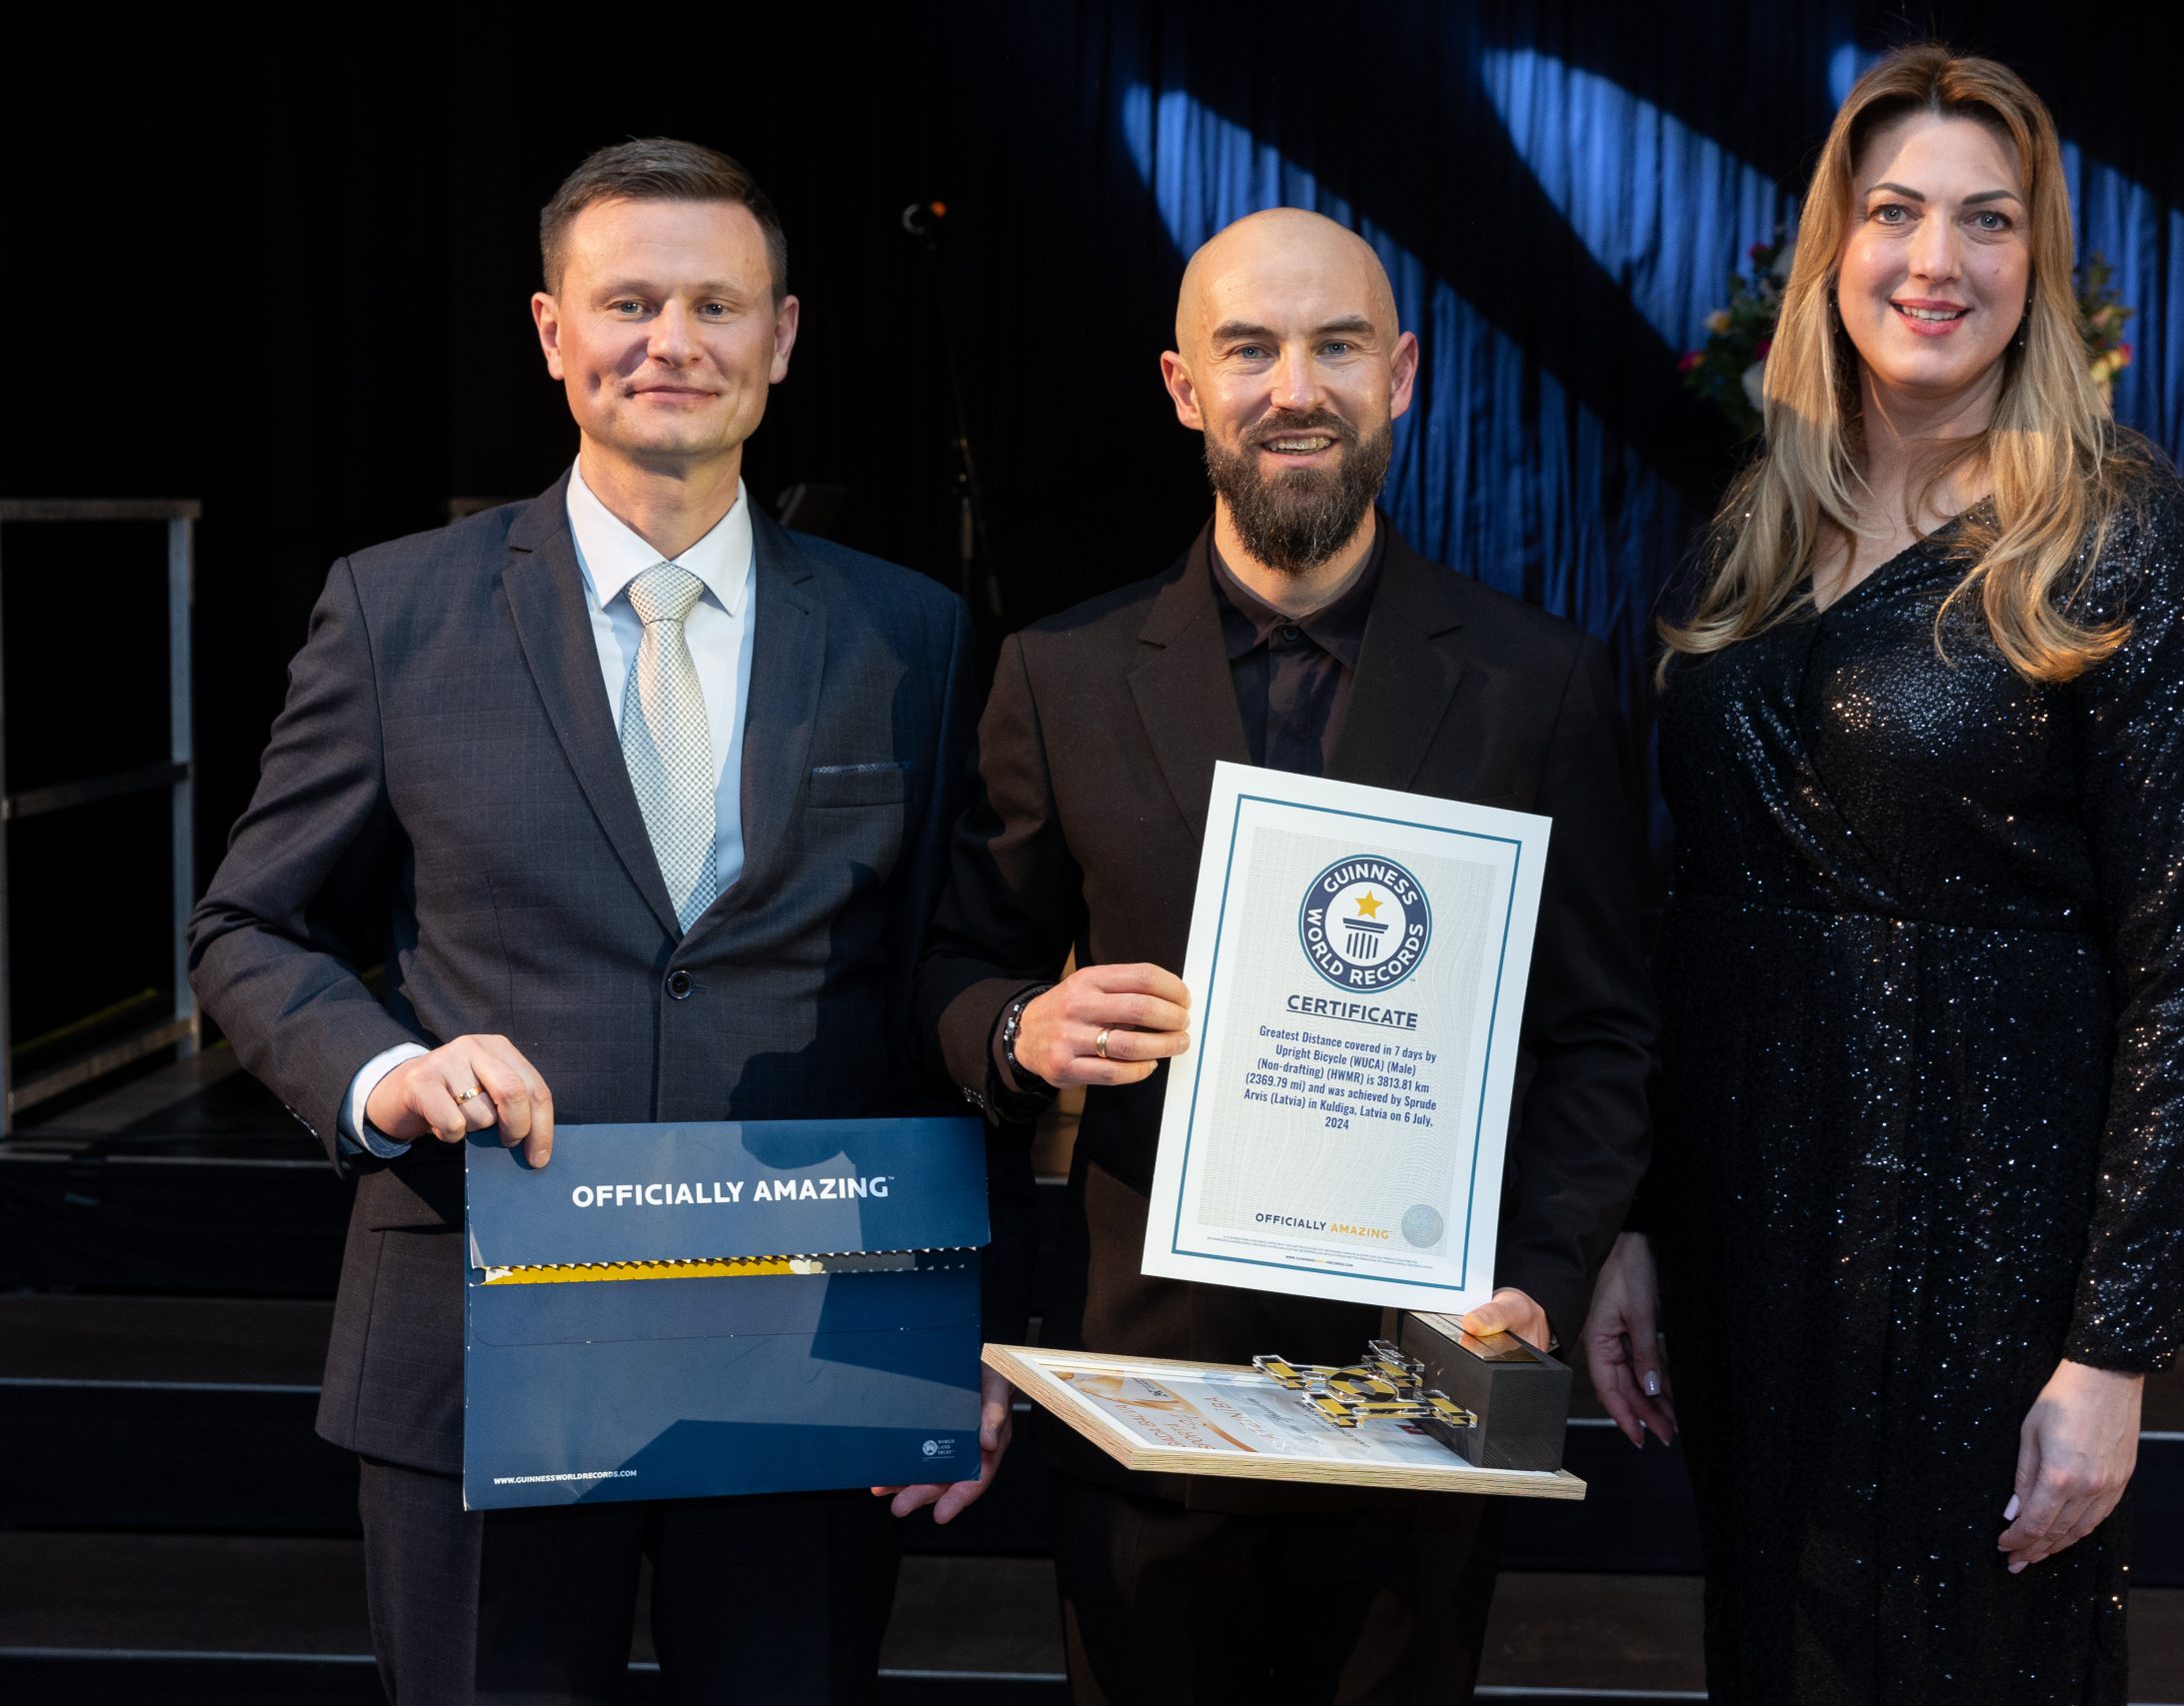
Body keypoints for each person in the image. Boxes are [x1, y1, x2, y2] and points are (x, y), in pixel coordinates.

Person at [187, 138, 1004, 1705]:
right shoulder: (395, 609)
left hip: (812, 1356)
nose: (670, 341)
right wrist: (386, 1074)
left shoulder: (908, 631)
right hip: (480, 1354)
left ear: (781, 338)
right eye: (629, 303)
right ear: (554, 333)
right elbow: (247, 926)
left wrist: (961, 1322)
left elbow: (932, 988)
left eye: (716, 304)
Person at [908, 208, 1655, 1704]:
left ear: (1404, 376)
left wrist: (1540, 1280)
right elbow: (953, 975)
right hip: (1144, 1401)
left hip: (1418, 1402)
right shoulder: (1060, 676)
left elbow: (1601, 1035)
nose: (1294, 389)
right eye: (1248, 350)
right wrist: (1020, 1030)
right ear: (1184, 387)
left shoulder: (1539, 686)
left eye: (1337, 347)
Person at [1578, 45, 2184, 1706]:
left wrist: (2114, 1352)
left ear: (2039, 263)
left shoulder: (2121, 535)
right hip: (1748, 1227)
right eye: (1893, 212)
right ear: (1834, 247)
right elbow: (1688, 907)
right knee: (1776, 1654)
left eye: (1986, 219)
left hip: (1984, 1245)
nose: (1934, 260)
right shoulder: (1754, 522)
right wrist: (1640, 1220)